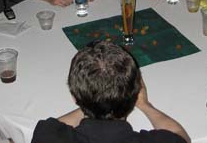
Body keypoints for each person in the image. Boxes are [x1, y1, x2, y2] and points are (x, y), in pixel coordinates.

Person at [31, 40, 190, 143]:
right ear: (134, 95)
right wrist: (146, 105)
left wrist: (90, 99)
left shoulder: (45, 135)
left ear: (74, 97)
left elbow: (53, 126)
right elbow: (180, 136)